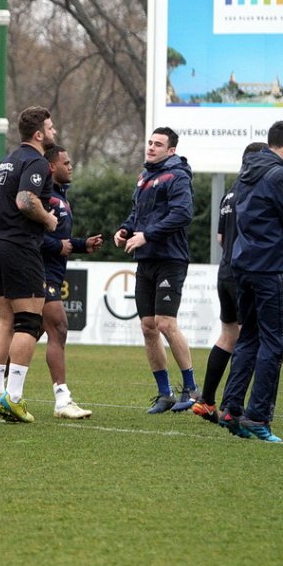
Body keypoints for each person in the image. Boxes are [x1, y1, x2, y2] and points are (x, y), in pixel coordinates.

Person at [218, 121, 283, 443]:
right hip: (270, 268)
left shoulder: (248, 171)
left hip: (243, 265)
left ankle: (231, 408)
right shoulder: (281, 175)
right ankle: (257, 417)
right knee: (274, 341)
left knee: (249, 337)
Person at [0, 106, 58, 424]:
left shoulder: (8, 159)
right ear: (38, 134)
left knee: (5, 319)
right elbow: (26, 200)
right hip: (19, 247)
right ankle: (13, 397)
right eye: (51, 128)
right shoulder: (36, 161)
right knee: (29, 322)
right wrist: (48, 218)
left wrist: (8, 209)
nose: (54, 133)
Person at [114, 127, 197, 414]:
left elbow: (182, 214)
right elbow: (137, 213)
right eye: (149, 142)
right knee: (148, 327)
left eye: (158, 144)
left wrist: (146, 235)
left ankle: (191, 388)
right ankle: (165, 394)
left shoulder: (177, 175)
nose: (151, 147)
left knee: (165, 323)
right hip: (146, 260)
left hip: (170, 259)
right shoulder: (145, 176)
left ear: (171, 150)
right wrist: (126, 228)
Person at [192, 142, 267, 423]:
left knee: (228, 336)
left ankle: (207, 401)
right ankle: (232, 406)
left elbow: (221, 239)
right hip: (244, 274)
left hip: (224, 273)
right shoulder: (256, 192)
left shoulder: (229, 194)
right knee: (249, 340)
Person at [40, 145, 102, 418]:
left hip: (52, 271)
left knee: (29, 332)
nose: (71, 165)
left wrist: (82, 245)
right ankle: (62, 400)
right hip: (40, 271)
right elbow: (30, 237)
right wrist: (58, 247)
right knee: (59, 328)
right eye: (66, 162)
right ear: (52, 167)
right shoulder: (43, 197)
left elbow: (60, 241)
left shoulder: (61, 197)